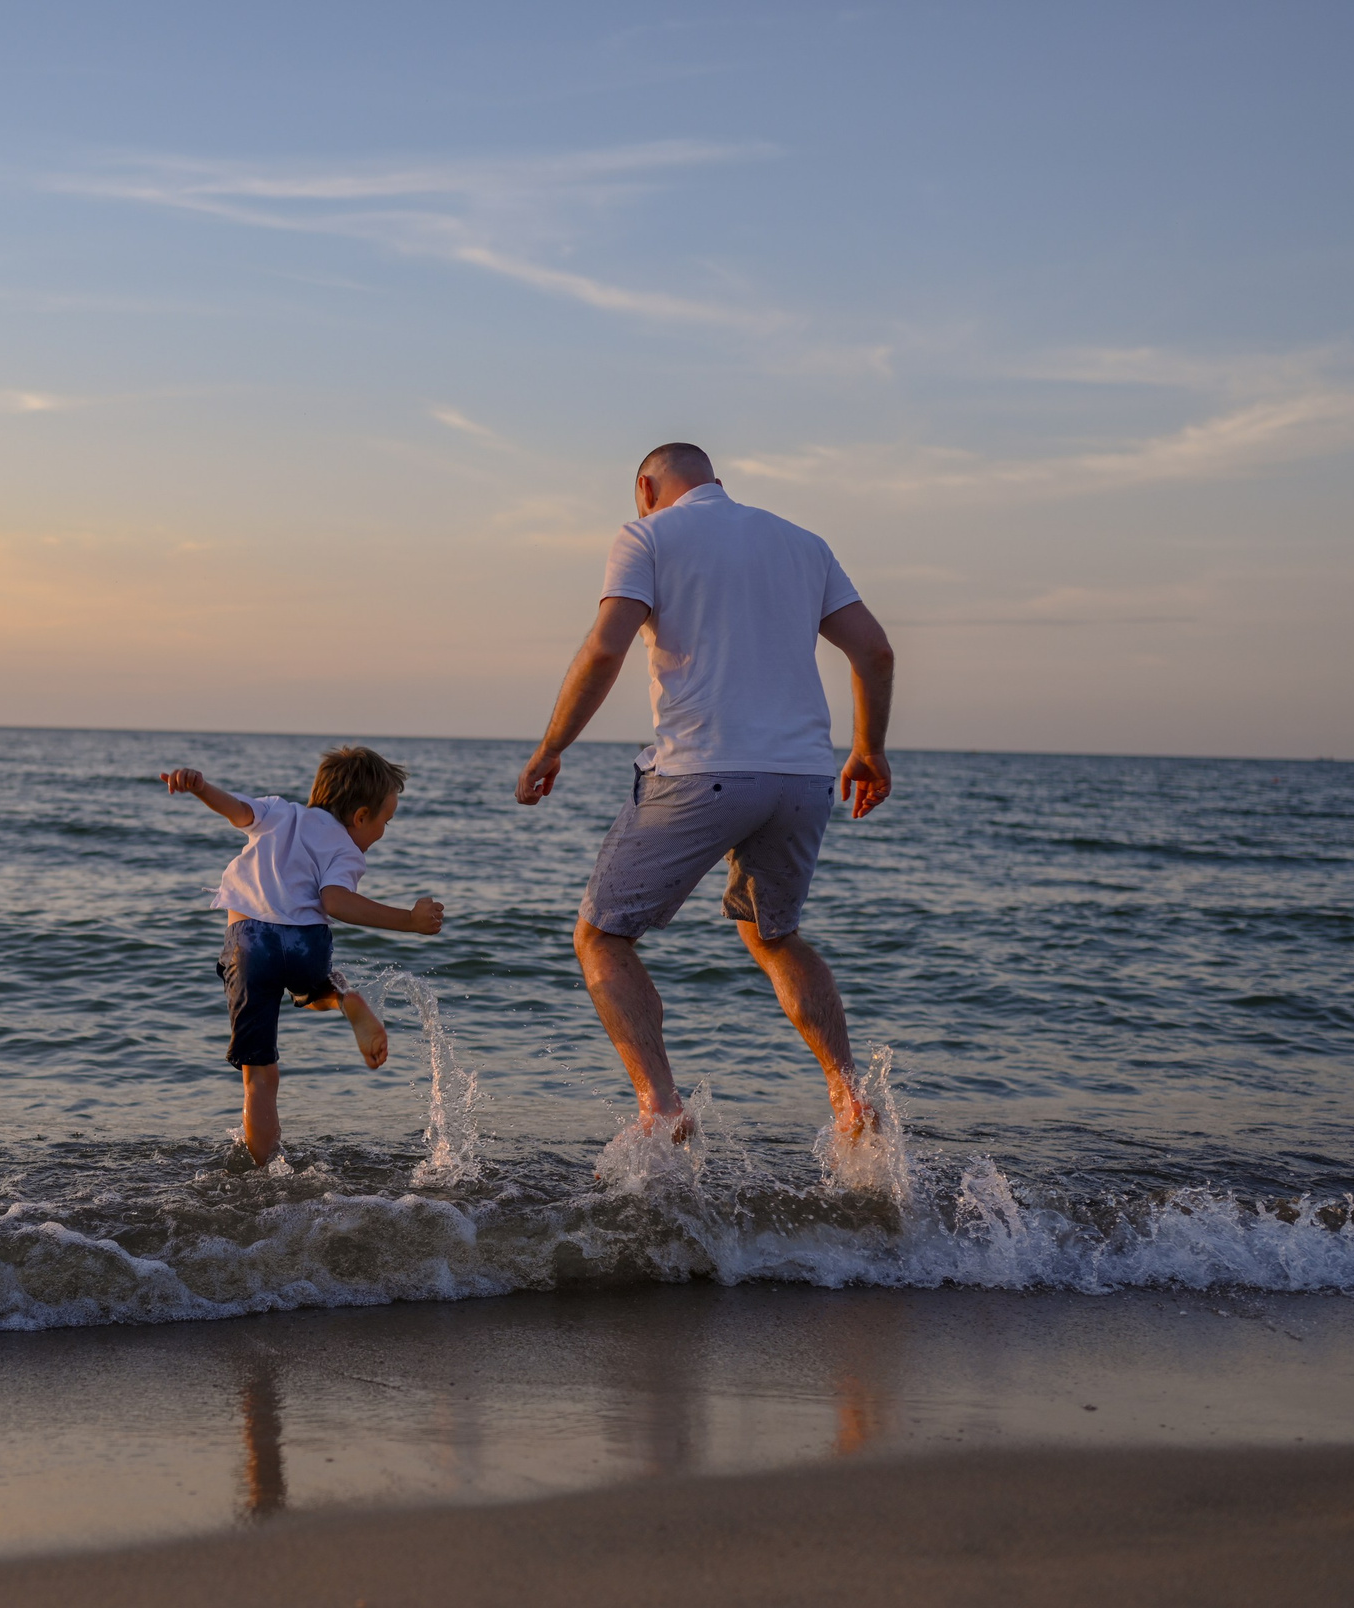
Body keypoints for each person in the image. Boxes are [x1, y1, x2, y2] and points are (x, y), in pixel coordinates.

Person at [515, 442, 896, 1143]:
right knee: (775, 937)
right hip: (803, 777)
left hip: (701, 771)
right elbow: (874, 650)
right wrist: (868, 750)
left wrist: (551, 747)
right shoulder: (803, 543)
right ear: (716, 480)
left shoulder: (647, 534)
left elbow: (606, 647)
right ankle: (848, 1098)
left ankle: (661, 1105)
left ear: (646, 487)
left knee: (600, 935)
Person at [161, 747, 446, 1168]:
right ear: (362, 816)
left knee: (259, 1077)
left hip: (249, 945)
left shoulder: (279, 812)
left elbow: (236, 810)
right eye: (386, 821)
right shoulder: (345, 849)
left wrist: (201, 788)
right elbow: (336, 902)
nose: (384, 830)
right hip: (305, 945)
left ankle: (264, 1175)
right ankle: (341, 996)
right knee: (313, 985)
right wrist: (408, 920)